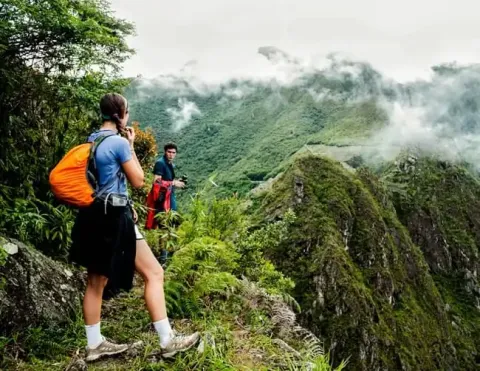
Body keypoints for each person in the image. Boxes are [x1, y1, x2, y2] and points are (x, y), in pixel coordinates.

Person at [69, 93, 199, 362]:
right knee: (154, 273)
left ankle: (94, 343)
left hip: (93, 213)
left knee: (95, 282)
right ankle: (168, 341)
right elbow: (140, 181)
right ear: (121, 114)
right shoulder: (118, 143)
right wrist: (129, 145)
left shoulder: (93, 140)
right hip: (114, 216)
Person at [146, 143, 185, 266]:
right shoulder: (160, 163)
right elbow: (156, 182)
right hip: (163, 203)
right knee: (164, 228)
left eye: (174, 153)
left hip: (169, 199)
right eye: (169, 152)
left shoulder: (169, 163)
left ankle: (168, 258)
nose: (171, 155)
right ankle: (163, 260)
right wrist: (173, 183)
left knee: (172, 227)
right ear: (165, 151)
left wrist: (177, 182)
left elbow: (166, 180)